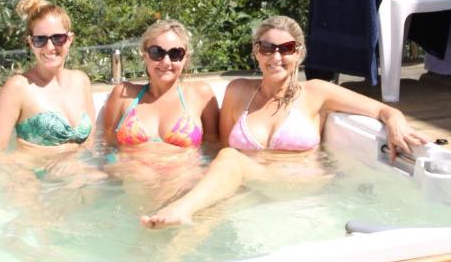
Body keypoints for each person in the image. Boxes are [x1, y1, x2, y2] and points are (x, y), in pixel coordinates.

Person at [141, 15, 431, 228]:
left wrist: (396, 122)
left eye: (286, 48)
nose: (276, 56)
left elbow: (384, 111)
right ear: (256, 52)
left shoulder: (317, 92)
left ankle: (181, 209)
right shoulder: (237, 91)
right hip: (254, 185)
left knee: (229, 159)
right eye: (267, 48)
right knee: (204, 218)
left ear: (299, 53)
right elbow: (218, 147)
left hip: (298, 183)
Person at [0, 0, 95, 157]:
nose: (50, 47)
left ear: (69, 39)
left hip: (78, 172)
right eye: (40, 40)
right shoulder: (18, 87)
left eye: (58, 38)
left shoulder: (81, 81)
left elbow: (92, 142)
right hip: (36, 175)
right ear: (30, 42)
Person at [101, 19, 219, 153]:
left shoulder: (200, 94)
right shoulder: (123, 94)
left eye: (175, 54)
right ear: (144, 56)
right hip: (130, 173)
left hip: (185, 173)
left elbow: (213, 148)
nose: (166, 62)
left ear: (186, 58)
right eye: (157, 52)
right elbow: (107, 147)